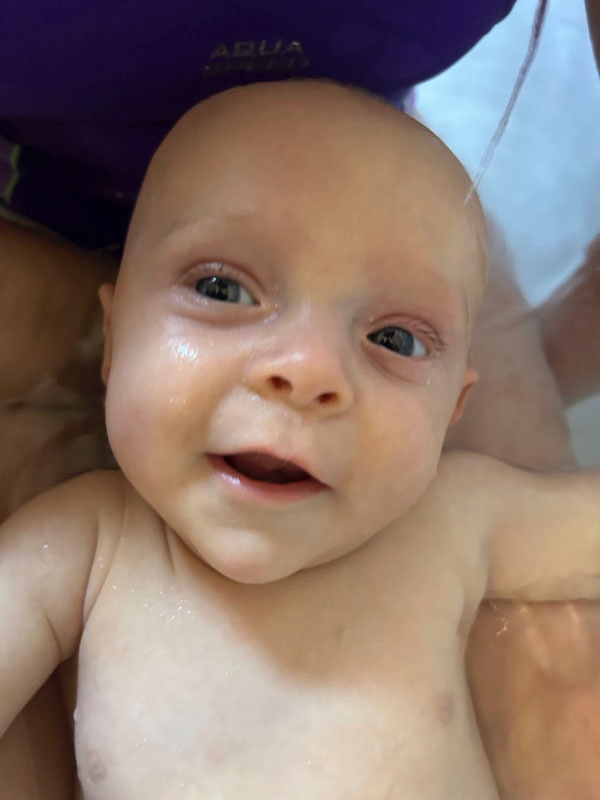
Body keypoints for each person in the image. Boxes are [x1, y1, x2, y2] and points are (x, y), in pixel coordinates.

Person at [2, 79, 600, 800]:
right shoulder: (84, 545)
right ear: (114, 338)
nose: (309, 369)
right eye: (223, 290)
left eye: (395, 339)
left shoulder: (457, 519)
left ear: (452, 411)